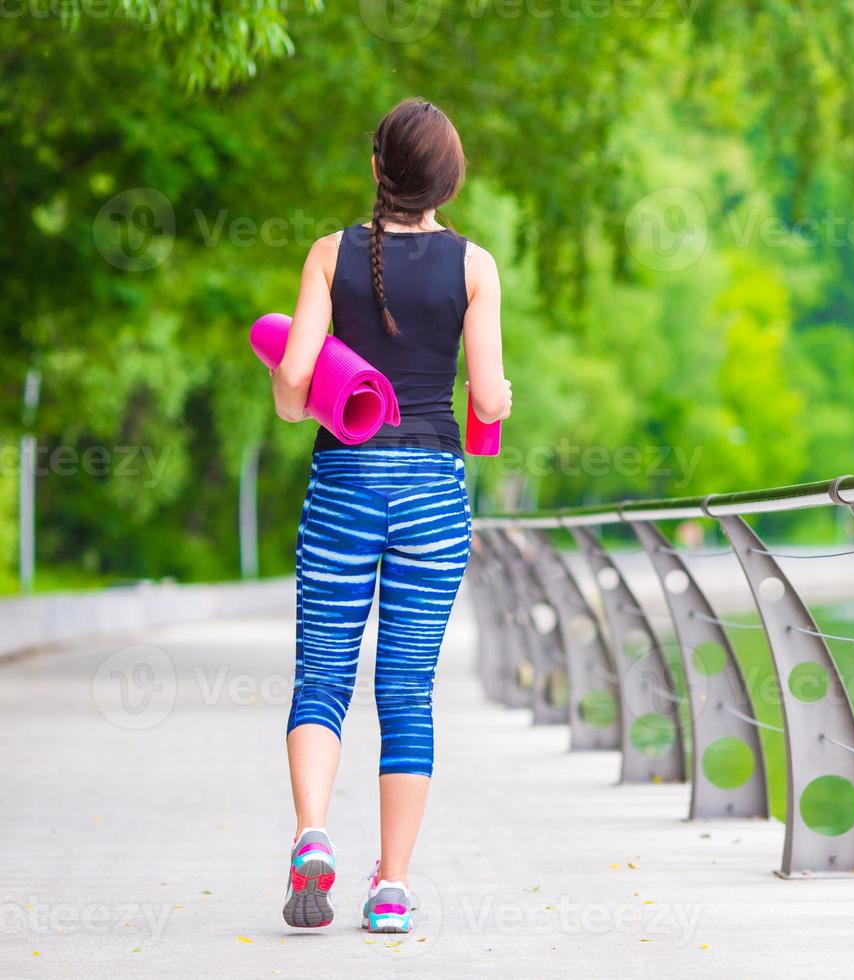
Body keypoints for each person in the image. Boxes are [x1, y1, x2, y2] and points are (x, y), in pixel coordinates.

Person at [268, 98, 510, 934]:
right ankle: (394, 889)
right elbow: (484, 400)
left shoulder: (329, 254)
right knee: (407, 690)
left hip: (342, 483)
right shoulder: (475, 267)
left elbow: (296, 395)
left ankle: (312, 836)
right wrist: (501, 396)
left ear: (376, 168)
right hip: (433, 493)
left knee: (321, 677)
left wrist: (284, 377)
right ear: (452, 179)